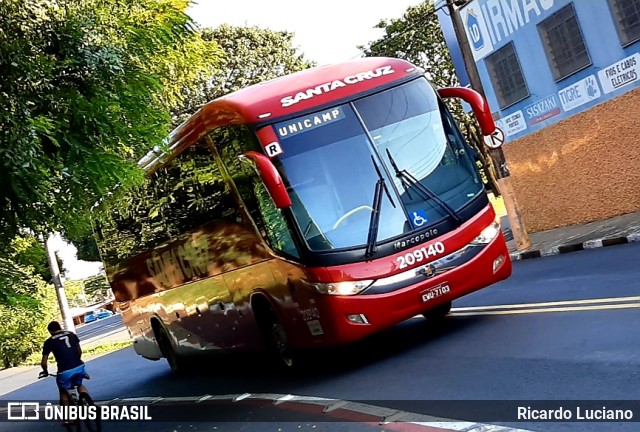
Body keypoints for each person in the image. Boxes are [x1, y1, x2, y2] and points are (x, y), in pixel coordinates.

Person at [39, 321, 89, 407]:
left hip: (64, 370)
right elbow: (79, 351)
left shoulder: (49, 341)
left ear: (50, 331)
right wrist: (77, 360)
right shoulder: (71, 334)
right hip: (79, 366)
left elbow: (44, 362)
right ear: (60, 327)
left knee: (63, 390)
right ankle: (88, 401)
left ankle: (69, 417)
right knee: (79, 384)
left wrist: (45, 371)